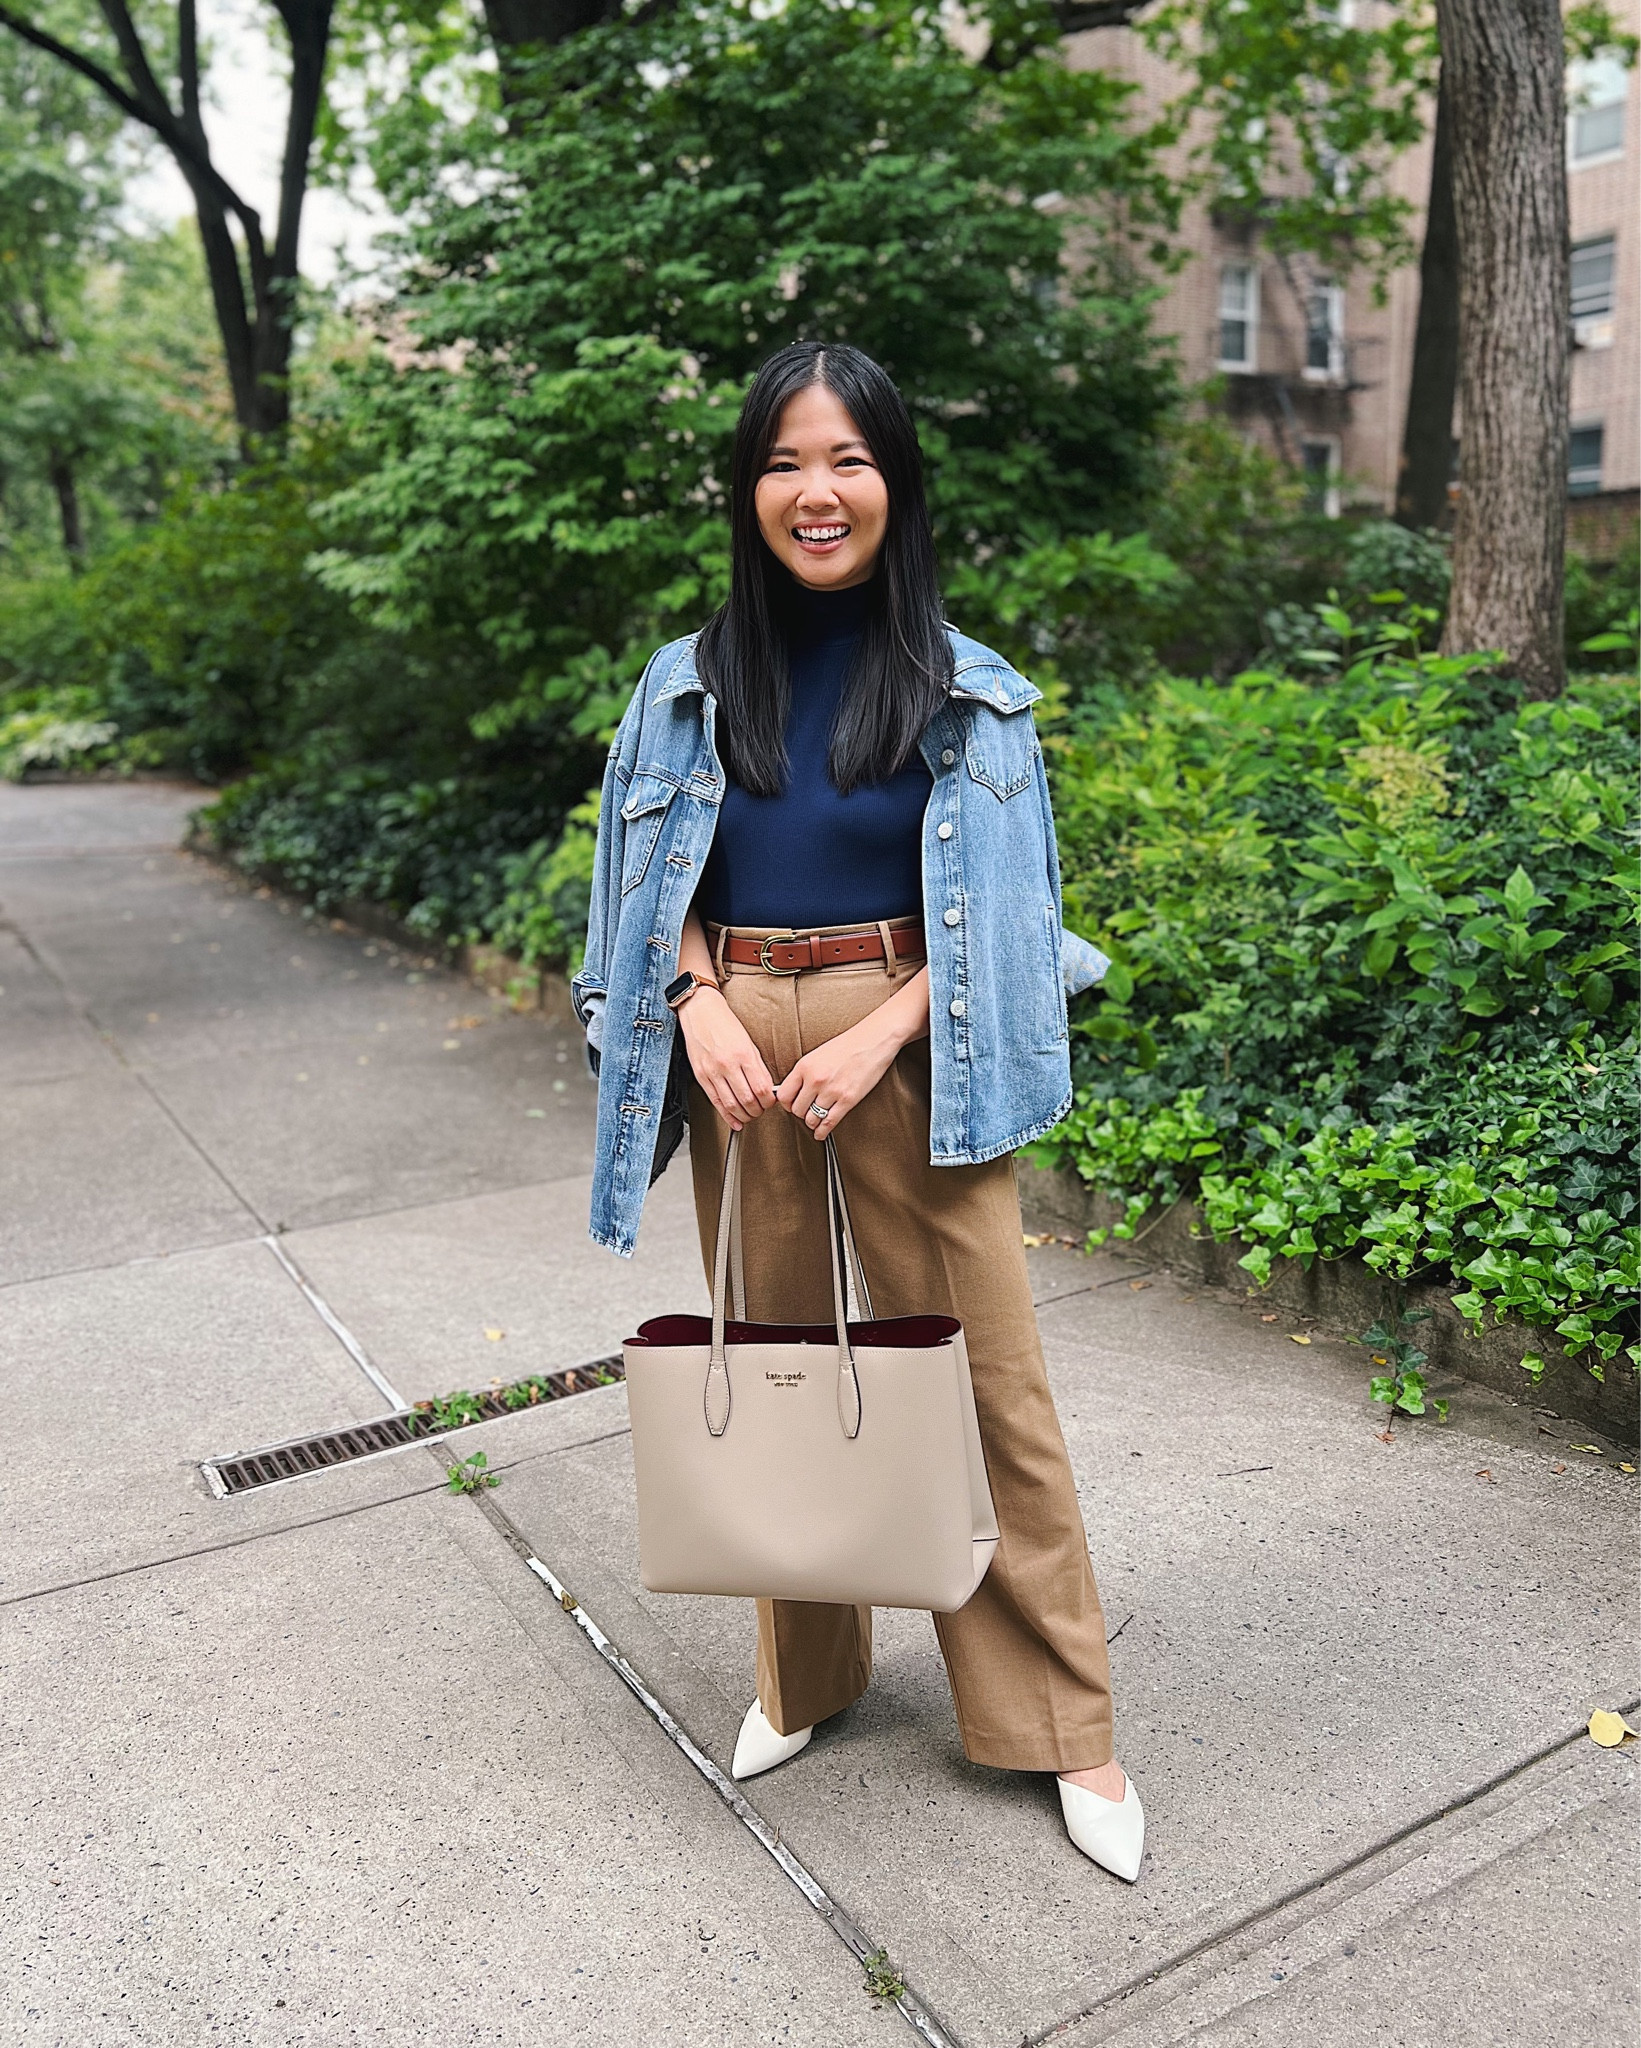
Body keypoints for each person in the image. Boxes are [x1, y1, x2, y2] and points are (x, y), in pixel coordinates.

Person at [573, 341, 1143, 1882]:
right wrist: (694, 1005)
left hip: (917, 1036)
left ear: (893, 480)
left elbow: (1017, 925)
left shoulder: (969, 692)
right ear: (749, 490)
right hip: (736, 1037)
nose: (815, 493)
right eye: (782, 465)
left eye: (846, 461)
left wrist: (876, 1030)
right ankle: (803, 1675)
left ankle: (1058, 1721)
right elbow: (638, 891)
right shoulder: (684, 683)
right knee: (767, 1359)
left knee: (984, 1378)